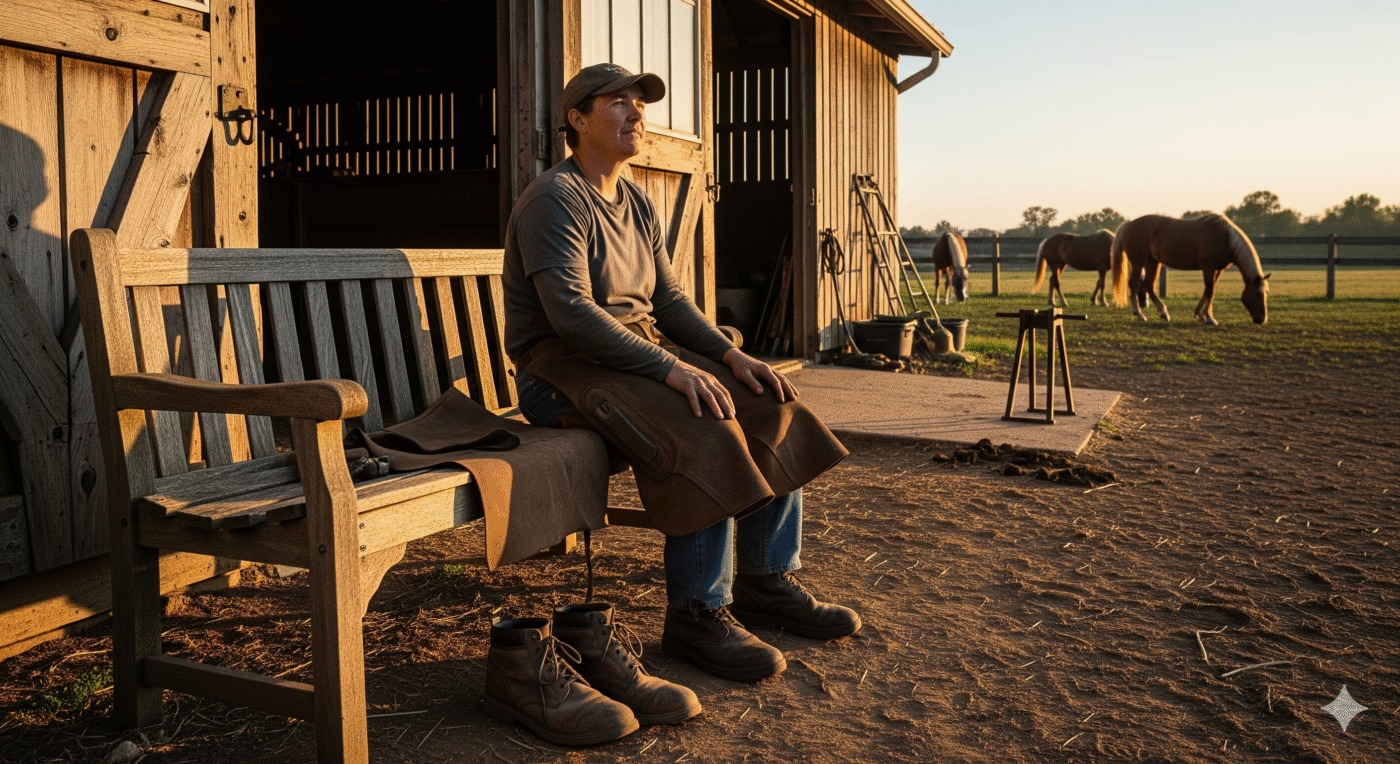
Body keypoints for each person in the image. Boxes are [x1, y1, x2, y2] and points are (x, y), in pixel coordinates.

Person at [501, 63, 860, 691]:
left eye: (639, 103)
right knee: (703, 420)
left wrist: (729, 356)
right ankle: (697, 614)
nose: (636, 113)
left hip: (630, 357)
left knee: (767, 401)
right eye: (617, 103)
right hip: (560, 369)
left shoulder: (635, 199)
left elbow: (667, 300)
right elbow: (573, 317)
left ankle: (766, 583)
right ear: (577, 120)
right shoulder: (554, 199)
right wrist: (670, 367)